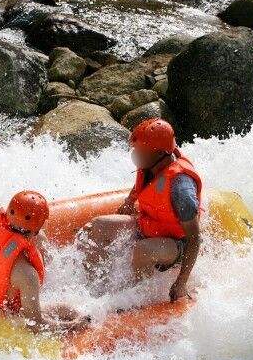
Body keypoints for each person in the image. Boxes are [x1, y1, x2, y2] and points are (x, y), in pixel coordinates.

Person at [78, 119, 204, 302]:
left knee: (143, 249)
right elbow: (143, 183)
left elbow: (194, 238)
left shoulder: (181, 188)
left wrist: (181, 282)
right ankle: (97, 291)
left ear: (160, 153)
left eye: (140, 151)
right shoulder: (151, 163)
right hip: (149, 226)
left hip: (177, 245)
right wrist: (129, 203)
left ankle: (138, 299)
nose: (135, 154)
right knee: (98, 226)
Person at [0, 191, 89, 333]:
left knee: (66, 309)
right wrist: (74, 326)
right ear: (36, 230)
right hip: (3, 316)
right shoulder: (28, 275)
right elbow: (35, 325)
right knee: (69, 312)